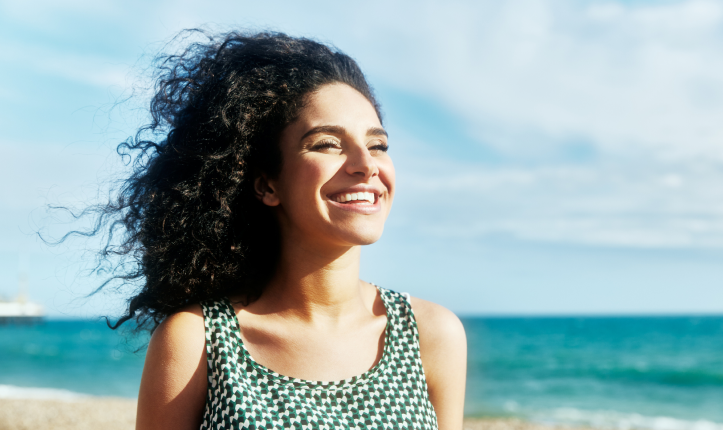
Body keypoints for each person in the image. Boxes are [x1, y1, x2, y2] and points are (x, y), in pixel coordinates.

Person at [103, 30, 466, 429]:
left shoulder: (432, 335)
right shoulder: (198, 340)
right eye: (327, 144)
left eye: (378, 145)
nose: (366, 164)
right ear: (267, 184)